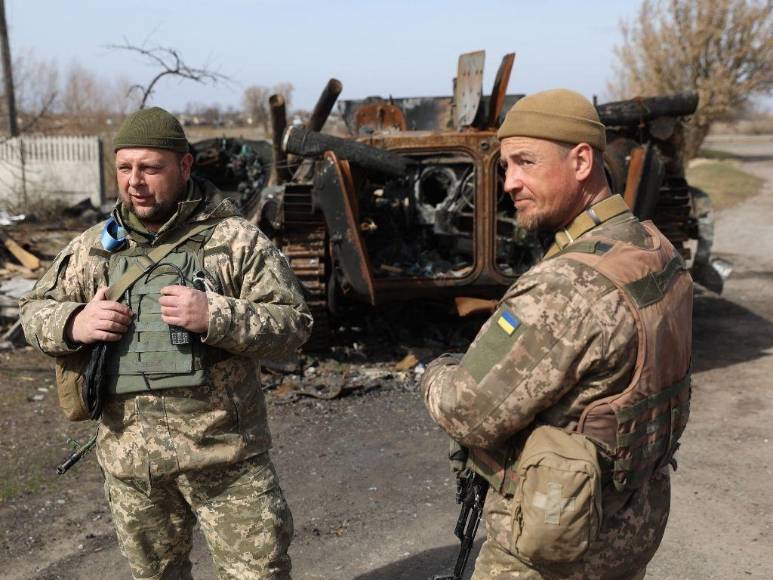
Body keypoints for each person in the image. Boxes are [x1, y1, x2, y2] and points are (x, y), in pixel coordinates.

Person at [20, 107, 312, 580]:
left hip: (226, 461)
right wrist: (75, 322)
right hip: (134, 468)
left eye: (150, 168)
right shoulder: (93, 249)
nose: (134, 182)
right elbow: (33, 312)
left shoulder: (235, 241)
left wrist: (216, 315)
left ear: (185, 166)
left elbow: (295, 324)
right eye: (124, 168)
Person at [421, 89, 693, 579]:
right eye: (506, 166)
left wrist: (435, 373)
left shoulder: (567, 284)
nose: (510, 182)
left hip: (558, 550)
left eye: (525, 162)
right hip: (631, 527)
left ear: (582, 161)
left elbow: (467, 411)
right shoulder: (652, 248)